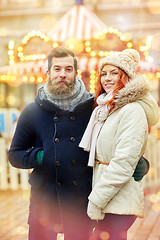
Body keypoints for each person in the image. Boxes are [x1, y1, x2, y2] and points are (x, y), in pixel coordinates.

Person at [8, 47, 150, 240]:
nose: (62, 74)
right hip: (45, 199)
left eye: (68, 69)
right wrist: (43, 156)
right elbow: (15, 154)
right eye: (57, 69)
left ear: (76, 72)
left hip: (81, 198)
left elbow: (116, 139)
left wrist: (139, 162)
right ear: (48, 72)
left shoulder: (95, 106)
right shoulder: (32, 111)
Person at [79, 49, 159, 240]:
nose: (107, 78)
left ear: (126, 77)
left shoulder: (132, 110)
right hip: (108, 195)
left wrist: (96, 199)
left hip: (118, 198)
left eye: (114, 73)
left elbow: (123, 163)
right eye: (104, 74)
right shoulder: (107, 109)